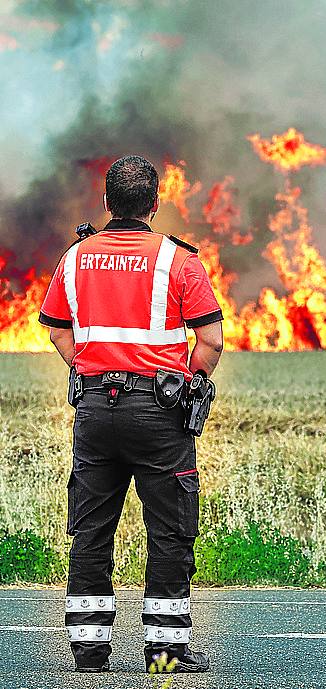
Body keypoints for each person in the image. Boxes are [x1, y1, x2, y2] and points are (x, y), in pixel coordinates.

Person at [37, 155, 224, 674]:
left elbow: (56, 329)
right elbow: (210, 340)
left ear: (106, 203)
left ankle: (90, 649)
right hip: (160, 413)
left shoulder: (75, 258)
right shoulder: (179, 261)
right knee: (169, 527)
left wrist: (95, 369)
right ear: (155, 203)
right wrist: (183, 381)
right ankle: (165, 651)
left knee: (92, 528)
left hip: (95, 409)